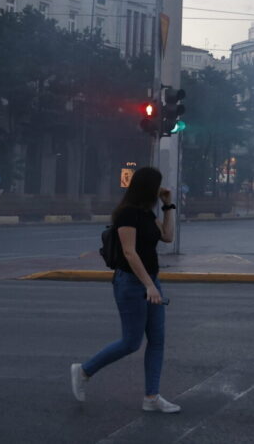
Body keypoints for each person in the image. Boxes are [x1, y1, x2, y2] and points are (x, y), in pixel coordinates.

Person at [70, 167, 180, 413]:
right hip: (131, 283)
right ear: (147, 187)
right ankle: (84, 370)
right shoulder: (127, 214)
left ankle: (152, 397)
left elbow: (168, 237)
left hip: (151, 280)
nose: (160, 189)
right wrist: (149, 286)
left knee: (157, 341)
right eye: (157, 185)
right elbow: (130, 253)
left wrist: (168, 206)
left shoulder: (146, 213)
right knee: (131, 342)